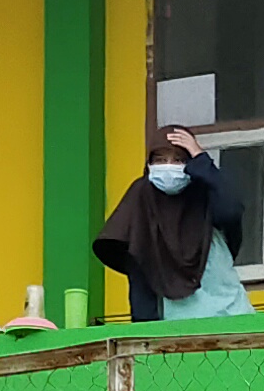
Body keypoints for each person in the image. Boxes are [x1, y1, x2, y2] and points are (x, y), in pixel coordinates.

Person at [93, 121, 252, 321]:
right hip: (176, 329)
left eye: (178, 160)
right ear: (149, 164)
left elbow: (231, 211)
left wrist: (201, 159)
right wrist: (146, 336)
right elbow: (138, 266)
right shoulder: (142, 198)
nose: (168, 166)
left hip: (229, 314)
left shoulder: (204, 192)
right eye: (160, 159)